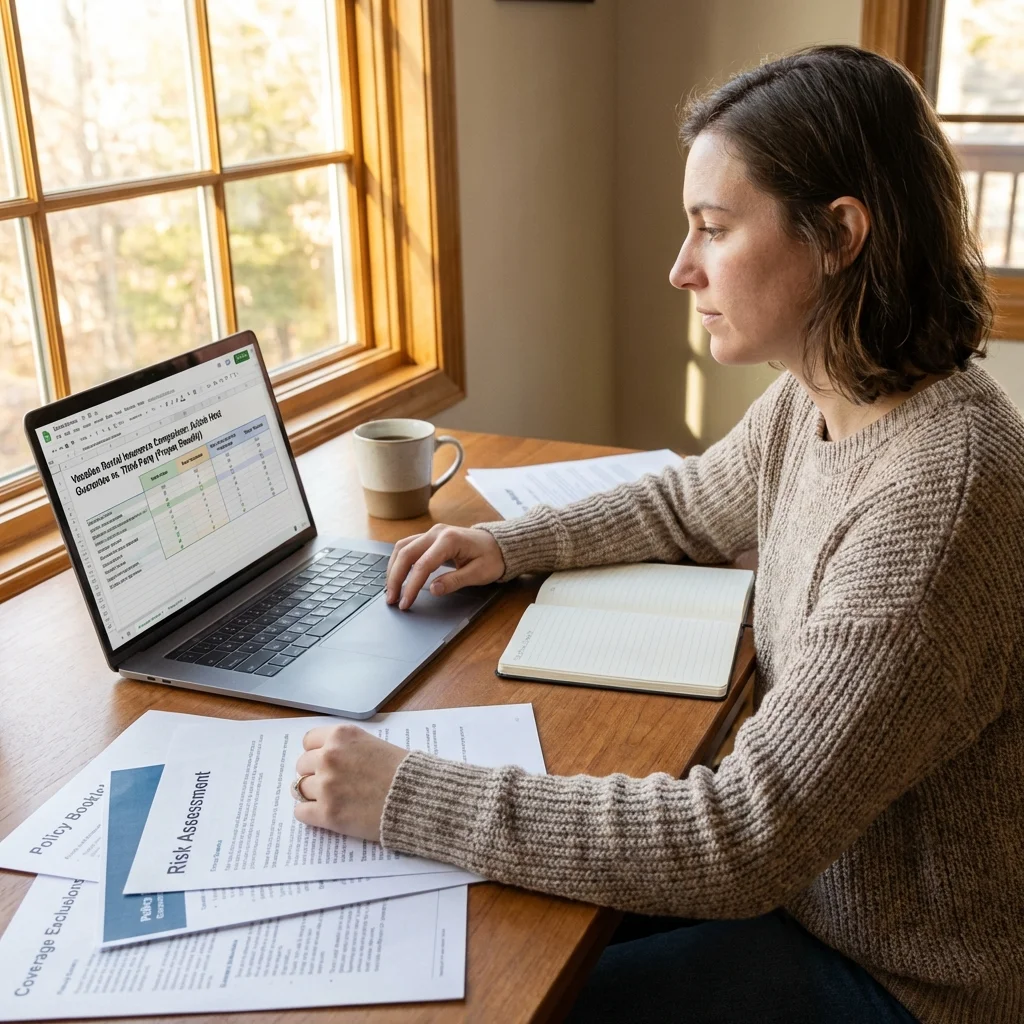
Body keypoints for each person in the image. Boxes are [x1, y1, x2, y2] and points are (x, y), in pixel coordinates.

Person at [290, 45, 1024, 1023]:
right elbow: (684, 505)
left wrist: (406, 793)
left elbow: (739, 840)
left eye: (713, 230)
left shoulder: (935, 507)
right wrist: (510, 547)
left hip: (900, 975)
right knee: (478, 931)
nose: (680, 268)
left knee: (502, 996)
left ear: (839, 234)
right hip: (809, 889)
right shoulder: (826, 394)